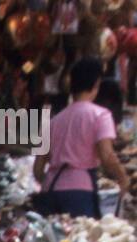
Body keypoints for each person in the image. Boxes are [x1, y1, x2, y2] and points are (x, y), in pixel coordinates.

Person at [34, 57, 129, 216]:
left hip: (49, 190)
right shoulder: (101, 115)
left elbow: (37, 169)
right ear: (96, 84)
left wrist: (53, 185)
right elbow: (107, 156)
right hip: (79, 194)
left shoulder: (51, 122)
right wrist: (123, 178)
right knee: (79, 239)